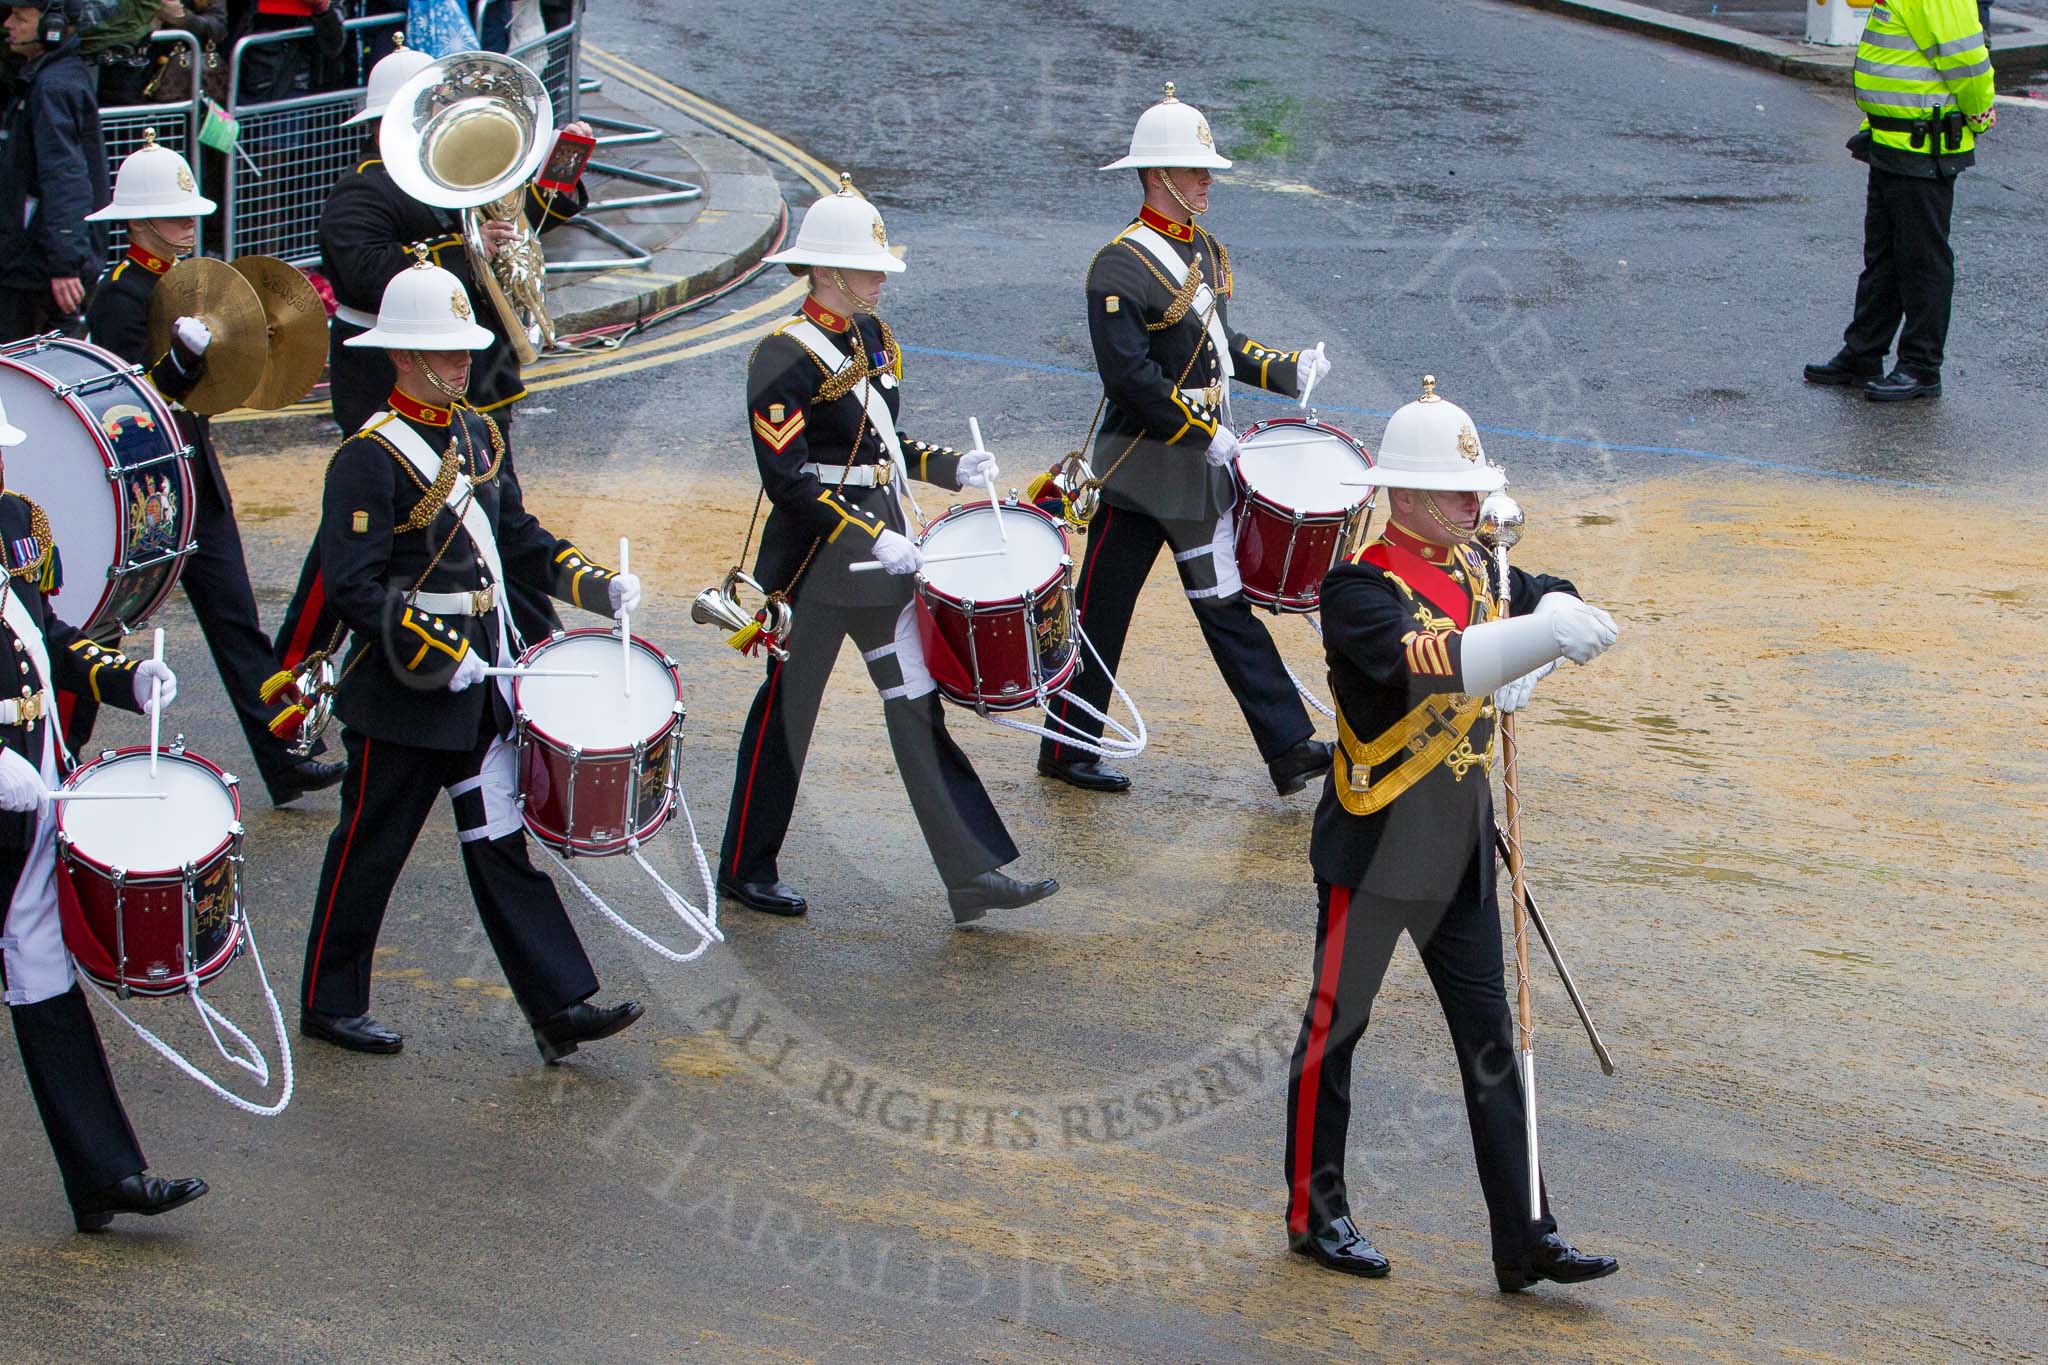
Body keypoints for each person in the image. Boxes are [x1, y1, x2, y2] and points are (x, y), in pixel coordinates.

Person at [1280, 378, 1622, 1291]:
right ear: (1410, 494)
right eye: (1462, 493)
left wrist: (1551, 629)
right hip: (1378, 846)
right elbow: (1427, 661)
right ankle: (1316, 1212)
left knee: (1491, 1046)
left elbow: (1551, 596)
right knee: (1334, 1032)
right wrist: (1527, 643)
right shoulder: (1357, 587)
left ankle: (1525, 1234)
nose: (1479, 506)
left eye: (1478, 493)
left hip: (1463, 848)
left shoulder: (1482, 569)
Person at [296, 255, 643, 1063]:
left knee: (499, 843)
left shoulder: (477, 431)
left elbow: (516, 539)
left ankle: (559, 1003)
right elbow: (354, 586)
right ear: (405, 357)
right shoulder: (367, 457)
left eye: (462, 347)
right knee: (370, 848)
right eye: (447, 349)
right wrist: (431, 647)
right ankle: (328, 999)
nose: (464, 360)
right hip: (410, 687)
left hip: (485, 677)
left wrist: (594, 584)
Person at [716, 176, 1058, 924]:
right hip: (818, 564)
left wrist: (945, 467)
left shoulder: (869, 337)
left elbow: (885, 445)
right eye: (869, 268)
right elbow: (791, 481)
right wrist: (875, 534)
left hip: (883, 563)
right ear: (829, 272)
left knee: (916, 708)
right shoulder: (780, 357)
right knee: (786, 713)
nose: (881, 278)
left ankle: (971, 872)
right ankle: (745, 864)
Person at [1036, 84, 1332, 797]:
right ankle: (1068, 746)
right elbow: (1130, 378)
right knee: (1102, 612)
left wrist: (1286, 369)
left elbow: (1220, 348)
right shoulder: (1119, 265)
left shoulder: (1204, 248)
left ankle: (1288, 746)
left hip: (1195, 470)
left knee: (1224, 604)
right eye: (1197, 170)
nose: (1209, 180)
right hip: (1142, 467)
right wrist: (1209, 435)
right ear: (1159, 176)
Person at [80, 132, 344, 804]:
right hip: (147, 492)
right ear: (137, 220)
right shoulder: (120, 294)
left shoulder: (181, 281)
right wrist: (178, 363)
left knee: (237, 622)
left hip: (194, 478)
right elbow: (127, 405)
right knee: (100, 625)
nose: (186, 223)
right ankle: (60, 748)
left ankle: (282, 757)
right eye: (171, 214)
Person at [0, 394, 201, 1233]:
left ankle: (106, 1173)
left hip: (31, 794)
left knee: (43, 980)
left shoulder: (11, 520)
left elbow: (47, 635)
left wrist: (122, 680)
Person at [317, 39, 591, 643]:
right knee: (379, 538)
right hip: (392, 384)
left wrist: (559, 179)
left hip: (477, 376)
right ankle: (301, 671)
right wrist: (468, 252)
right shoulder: (361, 193)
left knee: (485, 515)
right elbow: (366, 271)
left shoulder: (450, 175)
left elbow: (521, 213)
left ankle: (523, 633)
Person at [1804, 0, 1995, 402]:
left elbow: (1968, 62)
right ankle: (1863, 355)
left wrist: (1979, 115)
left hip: (1923, 145)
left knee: (1922, 260)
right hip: (1892, 140)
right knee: (1884, 257)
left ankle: (1921, 367)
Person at [0, 0, 106, 342]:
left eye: (19, 17)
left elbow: (65, 176)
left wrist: (64, 264)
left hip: (39, 272)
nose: (8, 25)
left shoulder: (52, 87)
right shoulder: (49, 79)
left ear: (53, 25)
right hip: (36, 264)